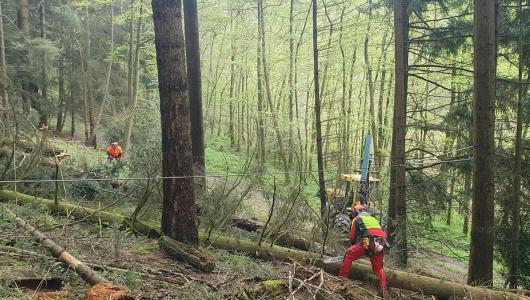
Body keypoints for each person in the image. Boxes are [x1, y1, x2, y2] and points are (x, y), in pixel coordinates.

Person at [338, 204, 388, 295]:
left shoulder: (357, 219)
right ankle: (384, 289)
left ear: (356, 212)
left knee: (349, 254)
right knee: (378, 268)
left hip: (369, 241)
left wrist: (352, 247)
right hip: (381, 243)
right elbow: (382, 232)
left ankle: (342, 278)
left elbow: (352, 237)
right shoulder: (373, 219)